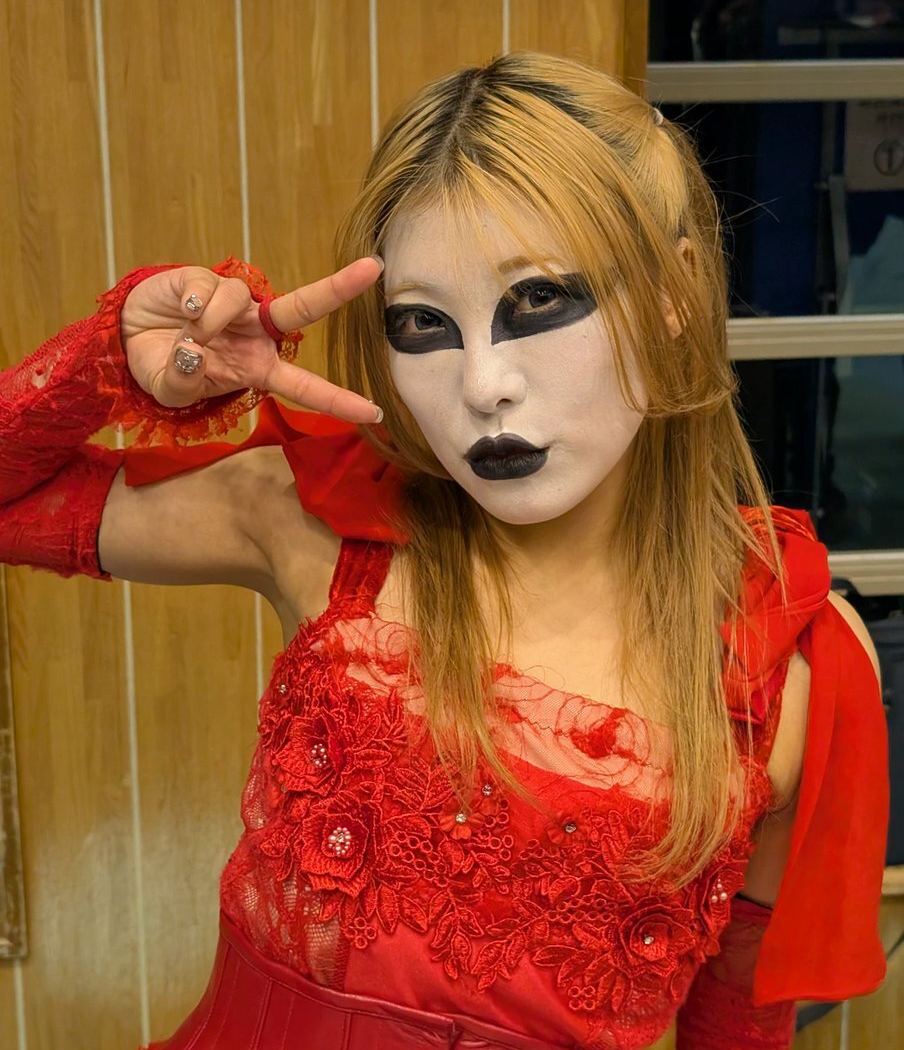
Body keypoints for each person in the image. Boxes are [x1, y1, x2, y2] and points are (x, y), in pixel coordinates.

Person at [0, 53, 889, 1050]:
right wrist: (111, 362)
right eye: (423, 322)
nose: (482, 385)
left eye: (539, 301)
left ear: (674, 288)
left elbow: (737, 1029)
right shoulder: (321, 526)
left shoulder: (784, 670)